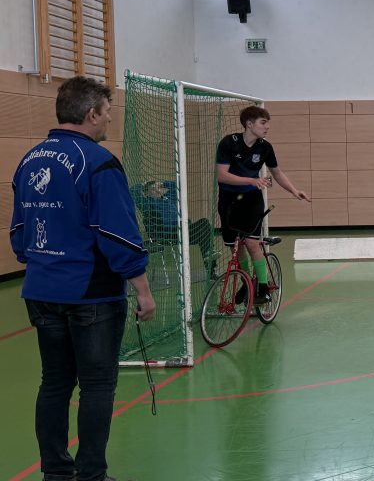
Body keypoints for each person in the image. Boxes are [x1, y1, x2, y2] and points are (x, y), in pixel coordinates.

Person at [10, 76, 156, 481]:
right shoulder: (97, 162)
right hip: (91, 294)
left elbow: (20, 230)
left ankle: (56, 473)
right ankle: (91, 474)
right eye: (107, 113)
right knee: (97, 385)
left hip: (41, 289)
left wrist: (39, 262)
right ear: (91, 114)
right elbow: (117, 233)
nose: (109, 120)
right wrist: (142, 289)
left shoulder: (29, 160)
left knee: (55, 383)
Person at [217, 105, 310, 304]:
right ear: (249, 124)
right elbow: (222, 175)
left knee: (251, 243)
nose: (267, 127)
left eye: (267, 123)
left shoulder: (265, 147)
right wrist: (252, 180)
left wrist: (294, 190)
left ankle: (263, 287)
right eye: (263, 123)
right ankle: (246, 283)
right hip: (229, 201)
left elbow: (276, 173)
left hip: (251, 200)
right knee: (236, 247)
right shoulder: (228, 143)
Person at [134, 179, 218, 278]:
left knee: (204, 226)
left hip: (184, 229)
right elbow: (133, 192)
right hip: (169, 234)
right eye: (152, 189)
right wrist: (143, 184)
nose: (157, 190)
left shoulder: (169, 198)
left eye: (158, 188)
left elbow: (177, 185)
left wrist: (162, 183)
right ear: (146, 193)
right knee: (204, 227)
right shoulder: (147, 204)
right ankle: (209, 258)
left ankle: (211, 270)